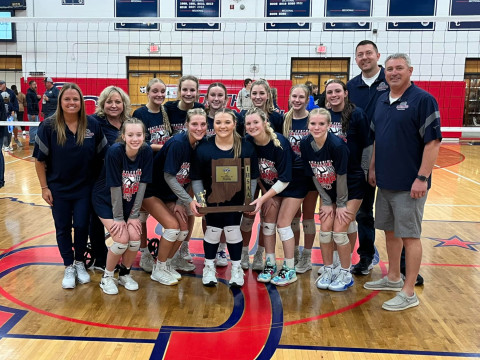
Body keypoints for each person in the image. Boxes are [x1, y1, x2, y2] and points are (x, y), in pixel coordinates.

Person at [364, 53, 442, 311]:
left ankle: (409, 292)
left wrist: (422, 177)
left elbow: (433, 142)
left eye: (399, 68)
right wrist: (373, 167)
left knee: (410, 235)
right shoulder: (382, 101)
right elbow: (377, 139)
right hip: (386, 181)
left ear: (410, 70)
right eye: (389, 69)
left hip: (410, 184)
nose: (394, 72)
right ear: (384, 73)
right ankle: (394, 278)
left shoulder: (423, 100)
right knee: (389, 232)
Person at [33, 83, 107, 289]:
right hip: (58, 189)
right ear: (60, 102)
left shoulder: (92, 125)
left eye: (76, 99)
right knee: (63, 227)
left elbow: (104, 156)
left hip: (85, 188)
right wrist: (44, 188)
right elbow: (39, 161)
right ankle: (68, 266)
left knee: (82, 226)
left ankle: (80, 262)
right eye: (67, 99)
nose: (72, 103)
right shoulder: (48, 126)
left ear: (82, 102)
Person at [190, 108, 259, 287]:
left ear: (235, 124)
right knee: (212, 231)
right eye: (218, 122)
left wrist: (249, 200)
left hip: (236, 201)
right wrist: (201, 201)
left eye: (227, 122)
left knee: (233, 230)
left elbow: (252, 177)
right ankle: (209, 266)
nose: (223, 126)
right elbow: (196, 178)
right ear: (213, 124)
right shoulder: (204, 147)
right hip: (212, 200)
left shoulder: (246, 146)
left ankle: (236, 268)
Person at [142, 108, 206, 285]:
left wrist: (179, 202)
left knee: (183, 229)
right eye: (194, 124)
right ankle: (158, 269)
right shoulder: (178, 143)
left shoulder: (198, 145)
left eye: (202, 124)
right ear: (186, 125)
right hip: (151, 191)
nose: (199, 128)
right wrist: (187, 201)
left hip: (170, 194)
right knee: (172, 228)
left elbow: (187, 178)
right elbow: (169, 176)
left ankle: (168, 263)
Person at [246, 107, 307, 286]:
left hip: (293, 184)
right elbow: (256, 174)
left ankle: (289, 269)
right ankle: (270, 264)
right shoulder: (249, 142)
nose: (252, 126)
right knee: (268, 222)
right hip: (271, 187)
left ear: (265, 123)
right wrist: (266, 195)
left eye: (256, 122)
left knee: (283, 224)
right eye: (248, 123)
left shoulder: (279, 143)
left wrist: (263, 199)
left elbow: (285, 179)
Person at [93, 118, 152, 295]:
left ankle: (125, 274)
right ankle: (107, 277)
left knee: (134, 238)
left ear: (144, 136)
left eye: (139, 135)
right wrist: (118, 218)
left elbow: (143, 184)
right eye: (131, 135)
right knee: (121, 239)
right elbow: (114, 187)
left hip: (128, 200)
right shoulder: (114, 152)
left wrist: (134, 215)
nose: (135, 139)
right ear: (123, 136)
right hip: (105, 199)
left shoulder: (146, 151)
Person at [300, 108, 355, 291]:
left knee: (339, 231)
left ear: (329, 125)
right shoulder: (305, 144)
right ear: (307, 125)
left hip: (351, 188)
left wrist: (339, 204)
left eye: (321, 124)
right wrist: (325, 201)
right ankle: (329, 269)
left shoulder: (337, 146)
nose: (316, 127)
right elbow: (315, 174)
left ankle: (346, 272)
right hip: (328, 190)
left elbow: (342, 176)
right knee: (325, 230)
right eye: (313, 123)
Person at [347, 40, 389, 276]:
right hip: (362, 155)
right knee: (364, 211)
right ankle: (365, 256)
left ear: (377, 55)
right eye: (360, 54)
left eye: (368, 53)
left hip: (390, 153)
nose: (364, 57)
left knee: (394, 212)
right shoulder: (351, 87)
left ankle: (402, 266)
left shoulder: (391, 81)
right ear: (356, 59)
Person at [322, 79, 370, 274]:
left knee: (344, 222)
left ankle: (345, 264)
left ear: (345, 93)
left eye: (337, 91)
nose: (333, 95)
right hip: (329, 178)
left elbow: (368, 145)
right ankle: (335, 262)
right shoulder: (324, 115)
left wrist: (366, 172)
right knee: (336, 223)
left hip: (352, 177)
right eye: (330, 92)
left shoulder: (357, 114)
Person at [240, 79, 284, 270]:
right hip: (249, 175)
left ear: (269, 95)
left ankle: (259, 254)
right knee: (247, 216)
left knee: (268, 218)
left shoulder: (277, 117)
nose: (258, 97)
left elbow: (280, 145)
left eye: (261, 93)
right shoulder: (243, 116)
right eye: (254, 93)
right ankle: (242, 253)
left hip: (270, 177)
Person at [132, 78, 173, 273]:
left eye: (162, 91)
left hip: (162, 172)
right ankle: (144, 253)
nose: (159, 95)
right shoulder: (139, 114)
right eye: (155, 91)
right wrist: (166, 147)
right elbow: (139, 143)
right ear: (147, 92)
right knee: (141, 216)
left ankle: (169, 255)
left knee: (166, 216)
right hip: (145, 170)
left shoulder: (165, 112)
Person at [89, 86, 132, 271]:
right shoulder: (94, 122)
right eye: (109, 102)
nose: (113, 105)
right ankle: (100, 258)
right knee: (96, 221)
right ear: (102, 104)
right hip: (98, 179)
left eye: (117, 102)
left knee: (124, 219)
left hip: (123, 182)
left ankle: (121, 255)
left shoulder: (129, 123)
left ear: (124, 104)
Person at [164, 75, 204, 262]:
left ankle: (183, 248)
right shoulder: (169, 109)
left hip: (186, 170)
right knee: (176, 220)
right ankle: (162, 258)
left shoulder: (201, 110)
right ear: (179, 91)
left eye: (192, 90)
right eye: (185, 89)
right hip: (169, 169)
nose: (188, 93)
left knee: (189, 211)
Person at [281, 84, 318, 274]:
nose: (297, 100)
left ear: (307, 99)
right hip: (292, 176)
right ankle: (294, 253)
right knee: (293, 218)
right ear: (289, 97)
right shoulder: (284, 120)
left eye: (301, 97)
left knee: (308, 218)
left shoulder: (313, 120)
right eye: (294, 96)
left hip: (310, 175)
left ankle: (307, 256)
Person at [26, 80, 41, 146]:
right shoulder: (29, 93)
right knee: (33, 128)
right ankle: (32, 141)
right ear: (30, 85)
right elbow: (29, 104)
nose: (36, 86)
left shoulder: (33, 93)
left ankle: (34, 140)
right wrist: (32, 114)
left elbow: (35, 103)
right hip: (33, 113)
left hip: (35, 113)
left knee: (36, 127)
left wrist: (38, 98)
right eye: (34, 84)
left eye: (36, 84)